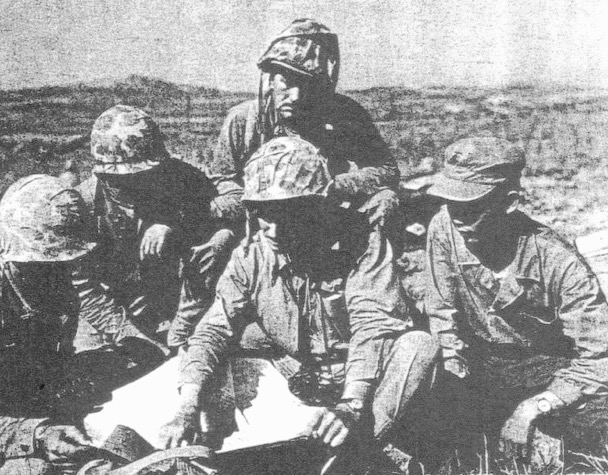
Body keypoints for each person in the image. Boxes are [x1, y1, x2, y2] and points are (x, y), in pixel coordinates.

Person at [160, 136, 438, 473]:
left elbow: (373, 327)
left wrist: (351, 404)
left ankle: (357, 453)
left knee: (418, 346)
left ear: (316, 208)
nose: (274, 230)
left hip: (364, 384)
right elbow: (213, 330)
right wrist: (188, 404)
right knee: (203, 361)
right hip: (298, 381)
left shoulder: (362, 243)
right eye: (264, 215)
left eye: (288, 215)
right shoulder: (251, 256)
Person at [424, 137, 608, 469]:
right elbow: (441, 312)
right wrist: (451, 370)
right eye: (451, 203)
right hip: (482, 368)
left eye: (471, 206)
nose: (457, 217)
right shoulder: (444, 226)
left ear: (509, 202)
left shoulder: (558, 260)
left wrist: (536, 406)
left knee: (595, 430)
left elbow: (600, 356)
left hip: (549, 371)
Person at [0, 175, 119, 474]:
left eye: (66, 263)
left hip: (21, 417)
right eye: (42, 264)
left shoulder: (54, 285)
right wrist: (37, 435)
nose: (57, 275)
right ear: (13, 255)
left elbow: (49, 369)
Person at [209, 18, 401, 246]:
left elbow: (387, 169)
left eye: (307, 84)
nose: (296, 95)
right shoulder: (244, 119)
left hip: (324, 211)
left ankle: (356, 273)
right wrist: (261, 201)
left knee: (385, 200)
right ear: (271, 79)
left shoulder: (345, 114)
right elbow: (223, 178)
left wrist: (338, 184)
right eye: (287, 82)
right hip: (265, 219)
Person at [74, 105, 241, 355]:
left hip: (172, 301)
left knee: (221, 237)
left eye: (142, 176)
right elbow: (84, 287)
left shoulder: (178, 176)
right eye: (119, 180)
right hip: (112, 309)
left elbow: (237, 204)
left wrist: (173, 221)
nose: (133, 186)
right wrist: (132, 337)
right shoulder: (83, 203)